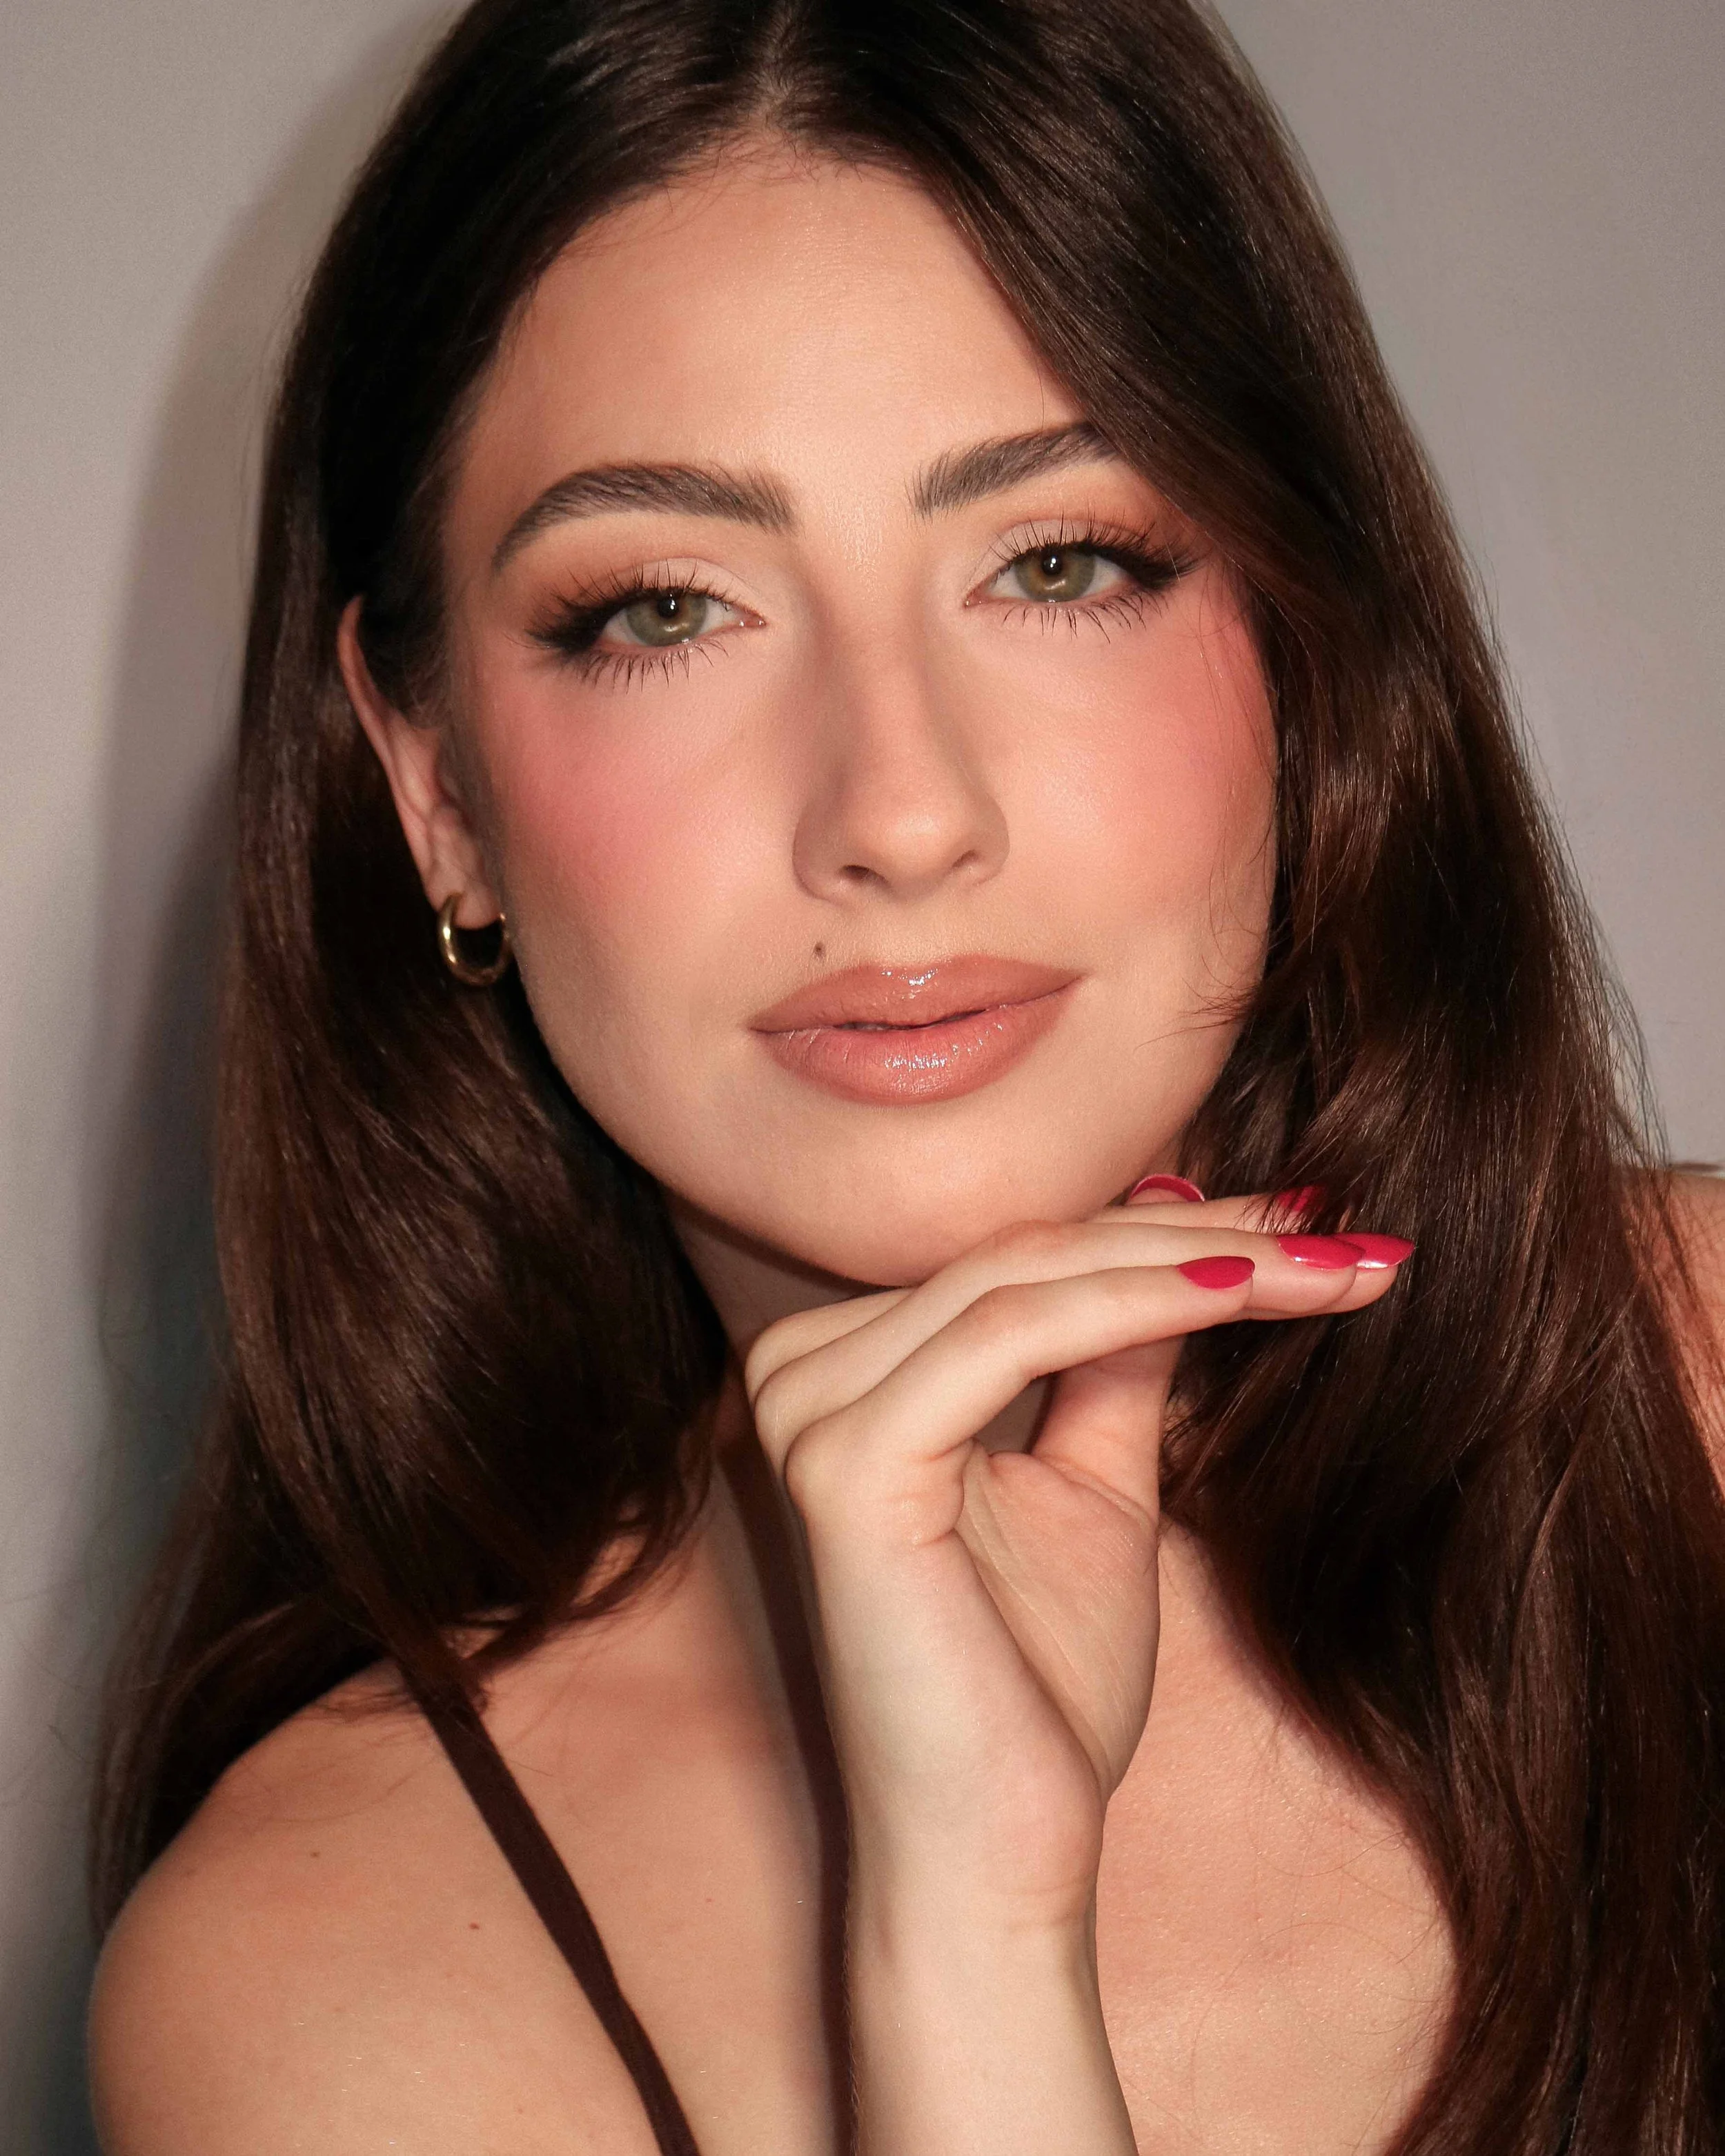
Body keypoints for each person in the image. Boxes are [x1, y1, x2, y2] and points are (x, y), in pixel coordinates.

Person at [84, 1, 1725, 2150]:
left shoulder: (1693, 1406)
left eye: (1056, 565)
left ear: (1303, 647)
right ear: (433, 793)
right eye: (665, 608)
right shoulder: (322, 1968)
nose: (898, 810)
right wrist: (971, 1943)